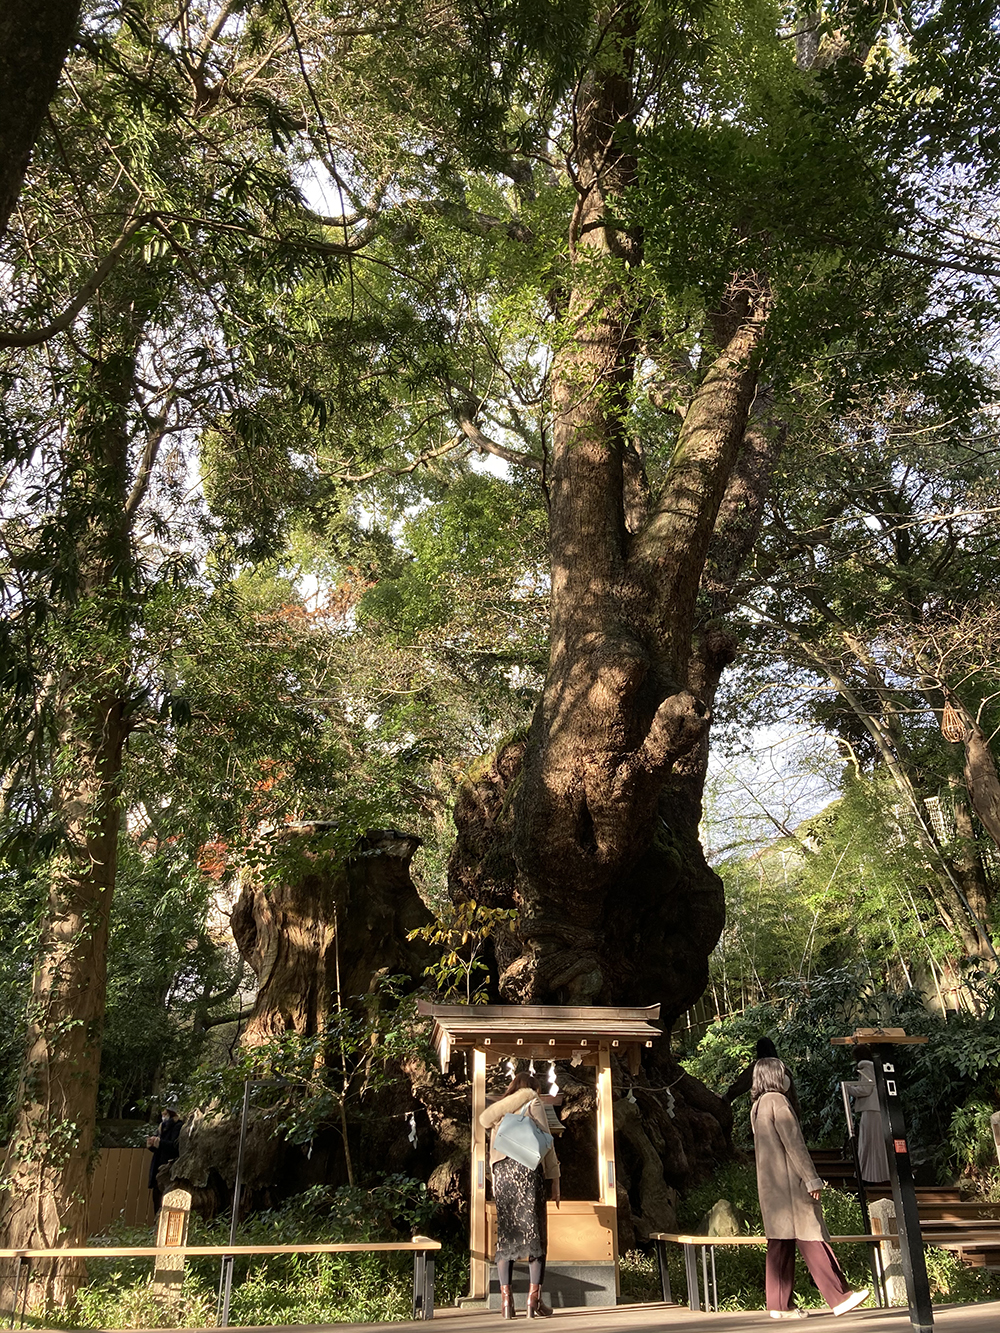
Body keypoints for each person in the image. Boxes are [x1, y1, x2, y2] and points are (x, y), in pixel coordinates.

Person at [751, 1058, 868, 1320]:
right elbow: (795, 1145)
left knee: (780, 1244)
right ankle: (840, 1297)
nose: (786, 1077)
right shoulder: (778, 1102)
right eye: (783, 1073)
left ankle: (779, 1305)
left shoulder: (757, 1105)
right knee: (812, 1237)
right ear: (774, 1076)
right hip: (792, 1186)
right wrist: (812, 1179)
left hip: (772, 1188)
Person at [480, 1072, 561, 1319]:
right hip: (527, 1171)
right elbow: (547, 1142)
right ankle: (532, 1301)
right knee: (535, 1235)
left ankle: (507, 1304)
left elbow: (488, 1134)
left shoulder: (500, 1112)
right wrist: (555, 1180)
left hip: (503, 1175)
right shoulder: (533, 1101)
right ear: (532, 1088)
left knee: (507, 1238)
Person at [842, 1047, 889, 1185]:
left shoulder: (865, 1066)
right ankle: (876, 1174)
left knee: (869, 1141)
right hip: (876, 1108)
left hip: (871, 1109)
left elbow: (865, 1089)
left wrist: (848, 1088)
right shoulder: (875, 1066)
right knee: (874, 1142)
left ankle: (868, 1175)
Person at [725, 1038, 802, 1121]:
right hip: (788, 1109)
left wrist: (727, 1097)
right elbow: (793, 1094)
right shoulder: (782, 1067)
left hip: (766, 1112)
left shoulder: (758, 1067)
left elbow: (741, 1084)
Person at [146, 1106, 183, 1214]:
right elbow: (159, 1150)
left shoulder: (178, 1126)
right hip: (158, 1166)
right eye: (162, 1115)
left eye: (165, 1114)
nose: (163, 1117)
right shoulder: (161, 1127)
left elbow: (175, 1146)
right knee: (157, 1199)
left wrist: (160, 1142)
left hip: (169, 1167)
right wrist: (152, 1144)